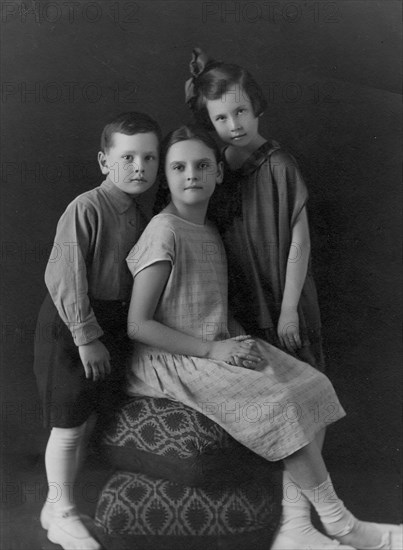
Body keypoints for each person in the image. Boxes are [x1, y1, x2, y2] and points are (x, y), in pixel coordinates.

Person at [125, 124, 401, 550]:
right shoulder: (165, 231)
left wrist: (236, 342)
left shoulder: (209, 230)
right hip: (169, 359)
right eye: (178, 167)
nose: (191, 175)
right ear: (167, 177)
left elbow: (208, 307)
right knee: (283, 404)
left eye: (202, 165)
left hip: (213, 343)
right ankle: (341, 523)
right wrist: (213, 349)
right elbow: (138, 325)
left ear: (218, 173)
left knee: (311, 384)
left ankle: (296, 529)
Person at [33, 111, 161, 550]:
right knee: (67, 424)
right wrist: (86, 338)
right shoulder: (86, 207)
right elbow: (64, 276)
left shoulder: (142, 213)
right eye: (127, 158)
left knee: (87, 420)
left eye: (149, 158)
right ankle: (61, 512)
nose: (139, 168)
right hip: (72, 324)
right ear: (104, 162)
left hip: (110, 321)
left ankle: (59, 506)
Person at [185, 47, 325, 371]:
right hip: (243, 293)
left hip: (282, 290)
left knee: (299, 369)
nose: (234, 124)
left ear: (256, 107)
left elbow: (300, 243)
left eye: (241, 111)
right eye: (221, 117)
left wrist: (290, 307)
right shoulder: (217, 167)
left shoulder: (280, 165)